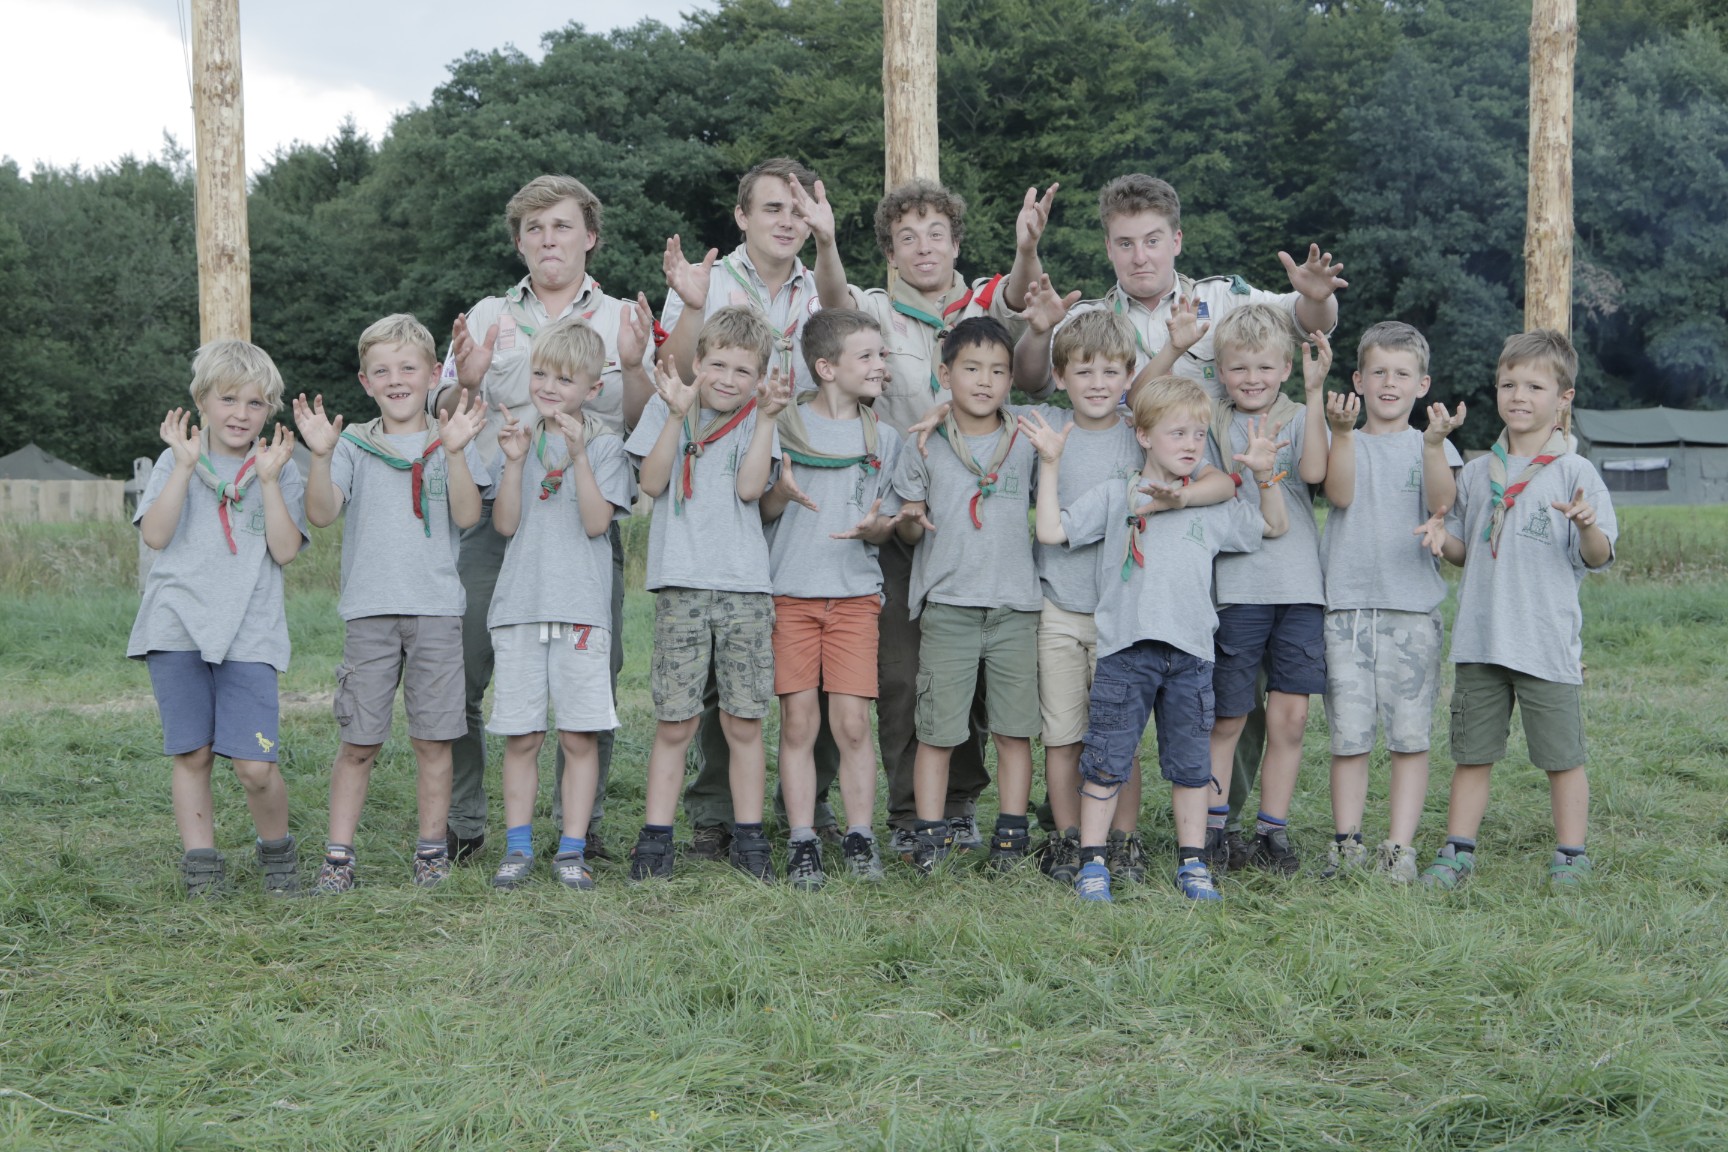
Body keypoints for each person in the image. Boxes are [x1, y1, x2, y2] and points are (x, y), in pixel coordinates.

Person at [1011, 172, 1346, 865]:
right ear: (1108, 247)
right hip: (1133, 535)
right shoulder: (1088, 321)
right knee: (1145, 693)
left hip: (1221, 520)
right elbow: (1036, 376)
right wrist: (1038, 323)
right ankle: (1097, 830)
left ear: (1177, 239)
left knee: (1230, 692)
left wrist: (1315, 301)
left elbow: (1304, 323)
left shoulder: (1224, 298)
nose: (1140, 256)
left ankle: (1223, 822)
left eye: (1153, 241)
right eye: (1125, 243)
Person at [812, 178, 1056, 858]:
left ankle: (961, 804)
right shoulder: (875, 310)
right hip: (897, 513)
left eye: (937, 234)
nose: (924, 247)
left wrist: (1027, 247)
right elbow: (832, 303)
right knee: (901, 672)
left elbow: (1021, 311)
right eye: (907, 237)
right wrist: (826, 241)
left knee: (978, 670)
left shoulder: (981, 307)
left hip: (977, 527)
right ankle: (908, 810)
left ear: (956, 242)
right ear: (889, 249)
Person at [436, 175, 656, 865]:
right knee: (466, 666)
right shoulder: (489, 313)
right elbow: (444, 406)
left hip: (579, 520)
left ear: (589, 236)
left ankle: (576, 828)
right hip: (496, 510)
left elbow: (646, 413)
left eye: (560, 226)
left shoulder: (621, 317)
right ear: (520, 243)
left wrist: (632, 363)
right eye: (533, 229)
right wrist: (467, 379)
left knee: (598, 667)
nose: (547, 239)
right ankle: (468, 822)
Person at [1025, 375, 1287, 902]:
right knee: (1106, 759)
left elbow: (1273, 527)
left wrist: (1264, 478)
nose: (1190, 445)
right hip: (1126, 652)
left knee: (1192, 766)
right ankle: (1093, 863)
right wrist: (1050, 464)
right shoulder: (1119, 495)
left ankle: (1193, 865)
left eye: (1197, 435)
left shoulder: (1207, 508)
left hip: (1190, 657)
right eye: (1177, 434)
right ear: (1143, 436)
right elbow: (1052, 531)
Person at [1008, 280, 1234, 885]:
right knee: (1062, 734)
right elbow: (975, 410)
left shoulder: (1144, 428)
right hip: (1062, 605)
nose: (1099, 384)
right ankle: (1066, 838)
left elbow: (1219, 482)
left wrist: (1174, 499)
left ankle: (1123, 841)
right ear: (1062, 378)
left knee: (1119, 736)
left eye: (1112, 373)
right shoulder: (1047, 424)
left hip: (1129, 618)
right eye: (1085, 373)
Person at [659, 157, 848, 855]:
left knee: (810, 638)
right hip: (722, 476)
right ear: (742, 216)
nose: (787, 221)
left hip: (797, 467)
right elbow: (677, 372)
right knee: (716, 641)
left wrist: (828, 244)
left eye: (799, 210)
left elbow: (843, 326)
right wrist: (687, 303)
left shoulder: (816, 278)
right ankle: (714, 809)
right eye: (773, 207)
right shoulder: (713, 280)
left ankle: (812, 801)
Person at [1416, 329, 1616, 890]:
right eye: (1508, 384)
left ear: (1564, 399)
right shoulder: (1480, 473)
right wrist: (1440, 539)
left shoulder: (1577, 475)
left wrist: (1587, 525)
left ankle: (1571, 854)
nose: (1519, 395)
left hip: (1545, 641)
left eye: (1534, 385)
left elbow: (1597, 558)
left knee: (1562, 756)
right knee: (1471, 754)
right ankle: (1458, 850)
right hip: (1481, 638)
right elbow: (1464, 551)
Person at [294, 315, 488, 892]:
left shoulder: (451, 436)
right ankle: (338, 859)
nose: (396, 379)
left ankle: (431, 853)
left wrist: (453, 454)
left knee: (434, 739)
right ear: (365, 381)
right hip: (370, 613)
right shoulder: (353, 442)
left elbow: (467, 515)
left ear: (434, 374)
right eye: (383, 371)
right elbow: (323, 513)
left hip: (435, 612)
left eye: (408, 368)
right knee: (359, 739)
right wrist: (322, 457)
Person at [129, 340, 307, 897]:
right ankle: (202, 863)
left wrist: (273, 481)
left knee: (254, 766)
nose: (240, 414)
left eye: (255, 404)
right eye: (228, 399)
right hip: (176, 625)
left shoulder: (278, 468)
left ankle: (276, 853)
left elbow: (284, 551)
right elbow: (155, 535)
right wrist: (183, 467)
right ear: (202, 401)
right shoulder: (173, 461)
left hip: (248, 632)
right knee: (193, 752)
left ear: (269, 410)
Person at [623, 308, 794, 882]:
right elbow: (650, 482)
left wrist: (767, 417)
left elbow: (751, 489)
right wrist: (675, 415)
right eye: (716, 364)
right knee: (676, 720)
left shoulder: (758, 417)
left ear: (759, 377)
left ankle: (749, 838)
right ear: (696, 363)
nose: (727, 378)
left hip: (745, 588)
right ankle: (656, 837)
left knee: (744, 719)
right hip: (682, 585)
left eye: (743, 371)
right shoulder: (667, 407)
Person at [482, 317, 636, 892]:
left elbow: (598, 524)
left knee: (578, 735)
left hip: (580, 611)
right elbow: (504, 524)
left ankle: (572, 849)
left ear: (592, 389)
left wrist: (577, 457)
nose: (549, 387)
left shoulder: (603, 442)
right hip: (520, 606)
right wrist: (517, 462)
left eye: (565, 379)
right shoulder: (515, 434)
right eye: (541, 373)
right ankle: (517, 846)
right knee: (522, 735)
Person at [890, 317, 1042, 874]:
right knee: (938, 730)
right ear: (945, 373)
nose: (985, 381)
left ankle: (1010, 835)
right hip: (948, 607)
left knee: (1013, 729)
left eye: (999, 371)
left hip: (1014, 609)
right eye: (972, 369)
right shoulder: (924, 443)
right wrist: (909, 520)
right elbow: (908, 527)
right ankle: (929, 836)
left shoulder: (1027, 435)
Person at [760, 308, 905, 887]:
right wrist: (781, 494)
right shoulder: (784, 427)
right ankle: (801, 842)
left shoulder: (884, 437)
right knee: (798, 723)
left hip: (853, 599)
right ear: (826, 367)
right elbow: (762, 506)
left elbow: (890, 515)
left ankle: (860, 837)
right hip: (791, 596)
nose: (879, 365)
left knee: (851, 724)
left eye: (882, 355)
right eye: (866, 356)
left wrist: (879, 530)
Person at [1317, 322, 1463, 882]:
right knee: (1349, 738)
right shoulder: (1341, 438)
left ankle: (1398, 848)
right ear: (1357, 379)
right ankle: (1347, 841)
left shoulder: (1434, 444)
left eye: (1402, 374)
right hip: (1347, 612)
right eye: (1377, 371)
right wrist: (1343, 434)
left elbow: (1441, 503)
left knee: (1409, 738)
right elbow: (1340, 494)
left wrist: (1430, 445)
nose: (1388, 382)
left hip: (1410, 613)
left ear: (1422, 384)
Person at [1202, 305, 1332, 876]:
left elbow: (1313, 473)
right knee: (1229, 715)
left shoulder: (1302, 415)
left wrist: (1316, 389)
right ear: (1220, 372)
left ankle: (1271, 832)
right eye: (1238, 368)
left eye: (1263, 366)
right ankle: (1209, 828)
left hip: (1299, 586)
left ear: (1284, 367)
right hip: (1236, 587)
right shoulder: (1211, 422)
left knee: (1290, 719)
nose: (1251, 378)